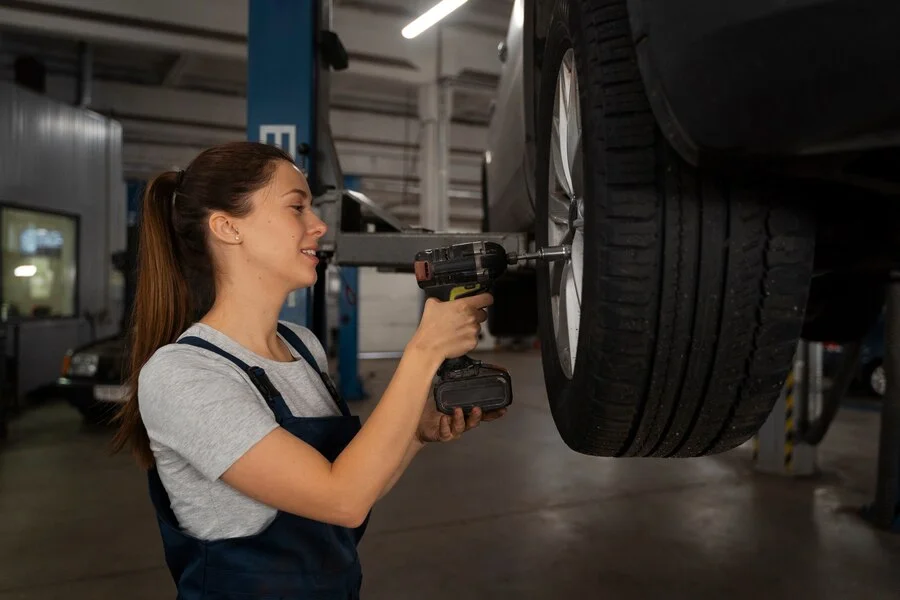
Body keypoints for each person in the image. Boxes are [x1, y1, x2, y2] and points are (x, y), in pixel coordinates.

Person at [111, 141, 506, 599]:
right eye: (297, 207)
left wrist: (415, 432)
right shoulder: (183, 375)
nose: (318, 226)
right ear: (226, 228)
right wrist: (423, 350)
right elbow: (342, 499)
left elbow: (352, 491)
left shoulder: (302, 346)